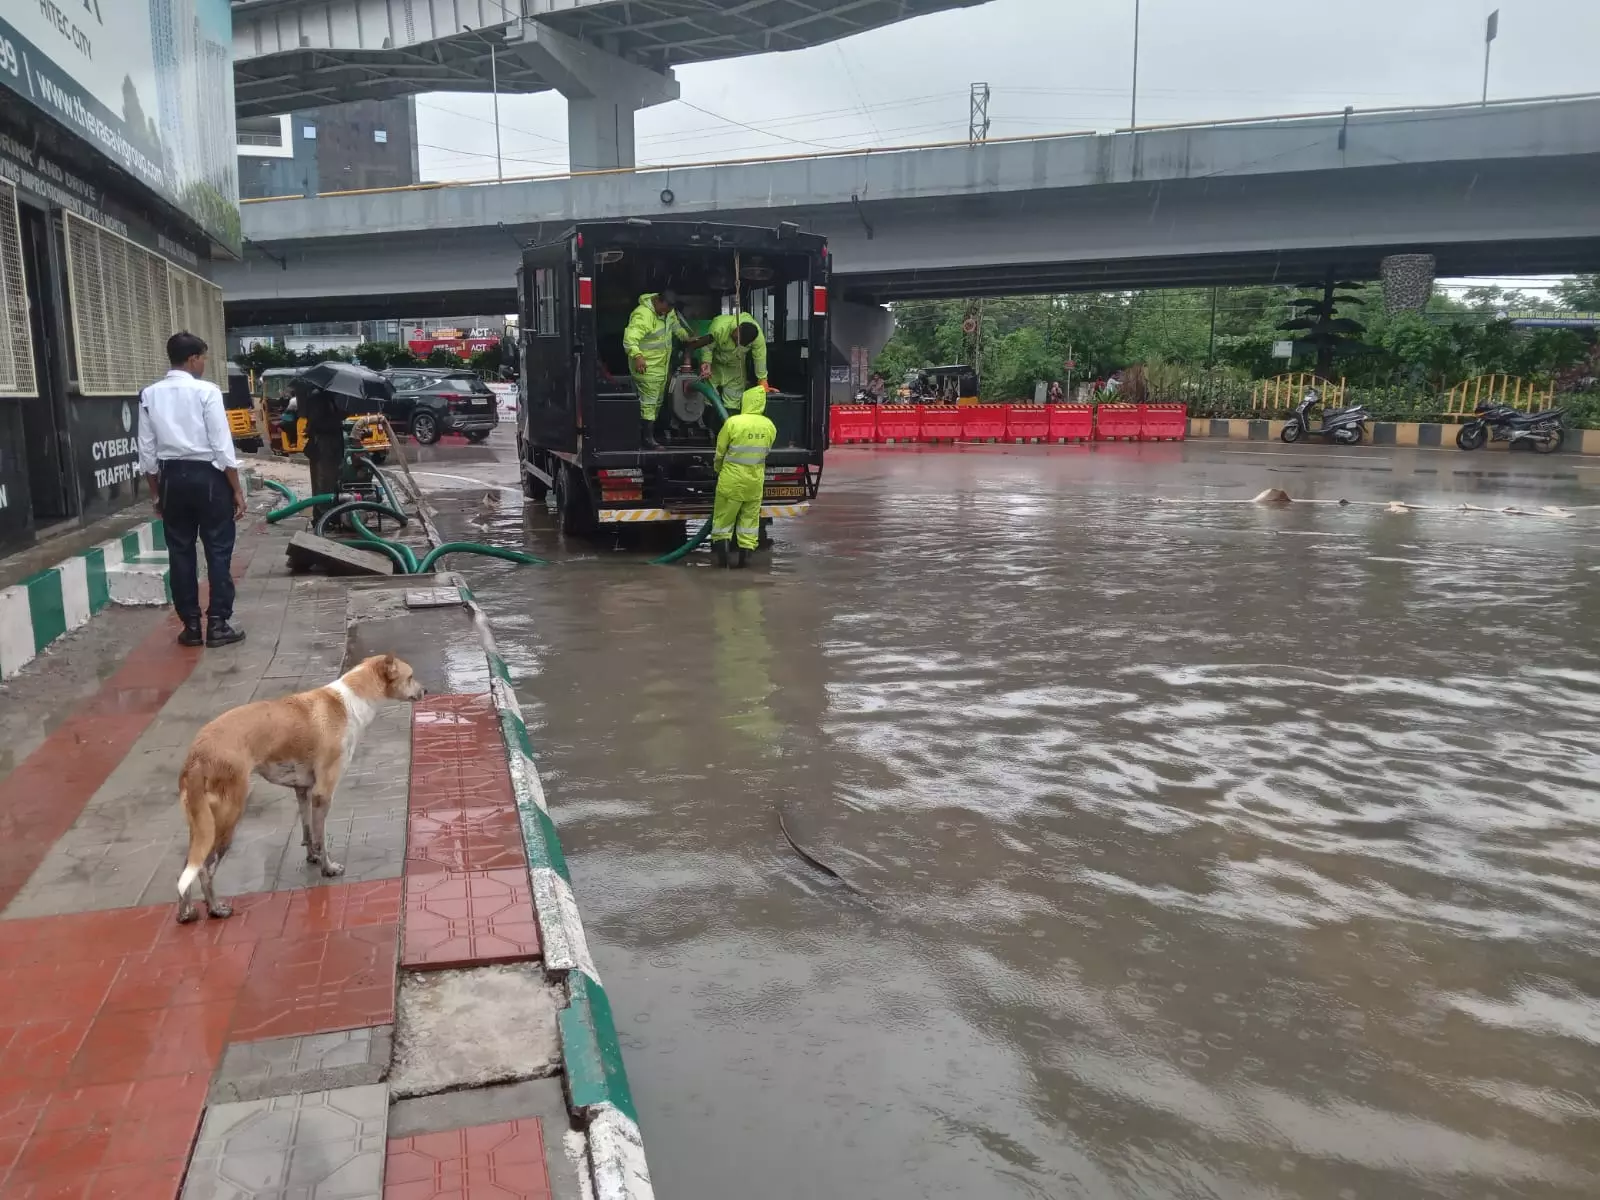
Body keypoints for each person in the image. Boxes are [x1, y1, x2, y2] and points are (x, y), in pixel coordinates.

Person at [138, 331, 246, 648]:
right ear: (193, 358)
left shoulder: (149, 395)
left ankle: (191, 626)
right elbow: (222, 447)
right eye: (203, 358)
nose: (204, 364)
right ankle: (218, 623)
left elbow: (147, 452)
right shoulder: (207, 391)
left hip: (172, 478)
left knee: (180, 552)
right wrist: (236, 490)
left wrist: (156, 493)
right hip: (209, 478)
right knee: (218, 550)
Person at [623, 291, 705, 448]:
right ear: (658, 301)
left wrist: (686, 337)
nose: (666, 313)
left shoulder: (668, 312)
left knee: (657, 402)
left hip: (662, 367)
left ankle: (649, 433)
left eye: (669, 310)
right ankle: (647, 439)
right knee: (649, 403)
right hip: (646, 367)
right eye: (665, 309)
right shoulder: (643, 314)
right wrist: (637, 355)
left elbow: (676, 327)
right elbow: (630, 339)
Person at [710, 385, 776, 569]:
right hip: (755, 481)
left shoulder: (733, 423)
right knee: (749, 522)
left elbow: (720, 451)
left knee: (723, 520)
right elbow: (766, 451)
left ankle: (723, 563)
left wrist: (717, 468)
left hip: (732, 479)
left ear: (745, 401)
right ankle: (744, 562)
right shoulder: (769, 425)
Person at [697, 311, 767, 413]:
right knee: (708, 396)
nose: (736, 343)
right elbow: (707, 347)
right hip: (715, 365)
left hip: (736, 368)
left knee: (734, 398)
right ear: (738, 328)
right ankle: (709, 418)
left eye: (740, 344)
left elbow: (760, 358)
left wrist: (762, 379)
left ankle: (731, 418)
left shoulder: (757, 338)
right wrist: (706, 362)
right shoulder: (719, 327)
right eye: (735, 339)